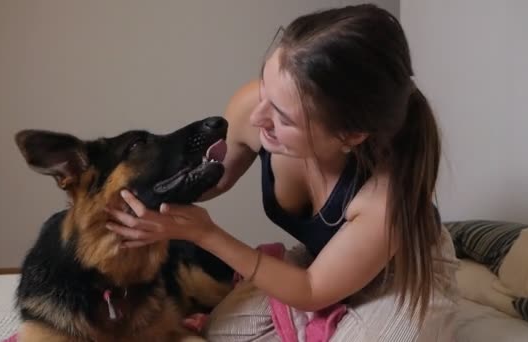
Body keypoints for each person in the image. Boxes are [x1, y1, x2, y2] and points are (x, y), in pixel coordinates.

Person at [106, 4, 459, 341]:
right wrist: (142, 201)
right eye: (265, 88)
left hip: (399, 275)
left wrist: (205, 234)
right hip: (320, 259)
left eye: (283, 117)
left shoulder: (385, 199)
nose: (258, 117)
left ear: (349, 136)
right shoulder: (257, 107)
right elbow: (213, 178)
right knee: (218, 333)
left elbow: (311, 290)